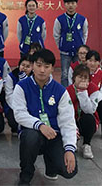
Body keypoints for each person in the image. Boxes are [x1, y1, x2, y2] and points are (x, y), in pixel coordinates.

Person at [12, 49, 77, 185]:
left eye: (47, 66)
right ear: (32, 66)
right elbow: (19, 114)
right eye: (39, 65)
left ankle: (51, 166)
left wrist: (70, 148)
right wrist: (40, 125)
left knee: (69, 170)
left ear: (52, 68)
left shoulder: (60, 91)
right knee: (30, 137)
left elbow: (68, 122)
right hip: (33, 132)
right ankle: (26, 175)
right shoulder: (21, 87)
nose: (42, 70)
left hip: (54, 135)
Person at [66, 64, 102, 160]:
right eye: (80, 77)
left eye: (85, 77)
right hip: (73, 119)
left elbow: (90, 110)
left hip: (87, 120)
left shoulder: (93, 89)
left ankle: (86, 144)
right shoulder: (68, 90)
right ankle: (73, 140)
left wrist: (82, 92)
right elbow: (66, 111)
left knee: (89, 118)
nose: (82, 80)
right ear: (74, 78)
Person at [53, 0, 88, 87]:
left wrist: (81, 47)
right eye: (68, 3)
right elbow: (56, 35)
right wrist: (61, 46)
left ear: (76, 5)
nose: (70, 6)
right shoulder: (59, 20)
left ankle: (78, 90)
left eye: (73, 3)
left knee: (78, 73)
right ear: (64, 5)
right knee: (64, 74)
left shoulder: (82, 19)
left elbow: (85, 34)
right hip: (65, 52)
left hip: (78, 53)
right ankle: (65, 92)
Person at [85, 50, 102, 141]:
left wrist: (93, 99)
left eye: (95, 61)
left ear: (98, 62)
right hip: (83, 99)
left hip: (96, 100)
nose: (92, 64)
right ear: (86, 61)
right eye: (90, 60)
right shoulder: (81, 73)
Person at [4, 55, 33, 135]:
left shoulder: (34, 77)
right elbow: (9, 95)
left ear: (32, 68)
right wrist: (18, 108)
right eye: (23, 65)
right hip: (13, 105)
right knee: (14, 123)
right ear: (19, 65)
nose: (24, 68)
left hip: (29, 105)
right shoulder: (11, 76)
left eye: (28, 66)